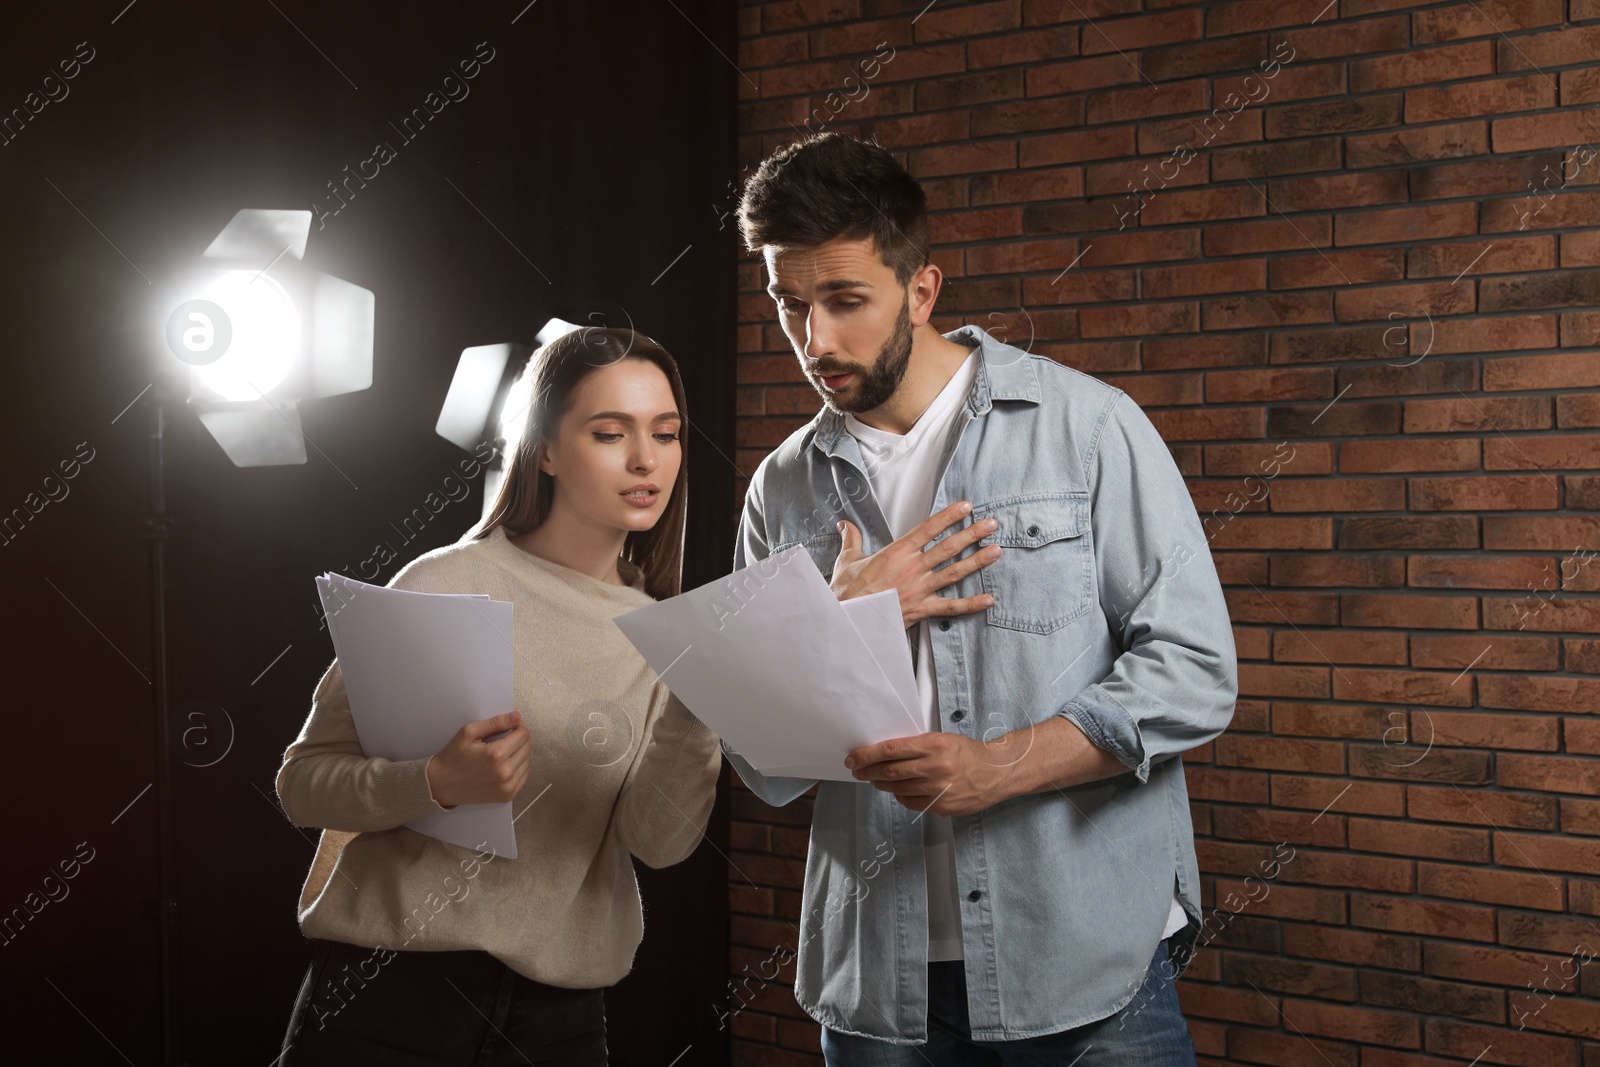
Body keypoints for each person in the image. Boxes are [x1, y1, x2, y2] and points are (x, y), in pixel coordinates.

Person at [726, 132, 1238, 1064]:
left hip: (1084, 956)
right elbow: (765, 767)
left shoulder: (1086, 428)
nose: (817, 341)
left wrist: (1001, 766)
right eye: (789, 304)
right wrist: (838, 624)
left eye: (845, 301)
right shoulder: (781, 489)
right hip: (881, 984)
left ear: (922, 290)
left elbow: (1196, 671)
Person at [274, 326, 722, 1066]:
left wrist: (702, 697)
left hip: (560, 1025)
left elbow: (658, 842)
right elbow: (302, 785)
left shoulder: (665, 634)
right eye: (610, 432)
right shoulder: (440, 584)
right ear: (543, 448)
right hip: (388, 1001)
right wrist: (432, 784)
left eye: (666, 434)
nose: (646, 460)